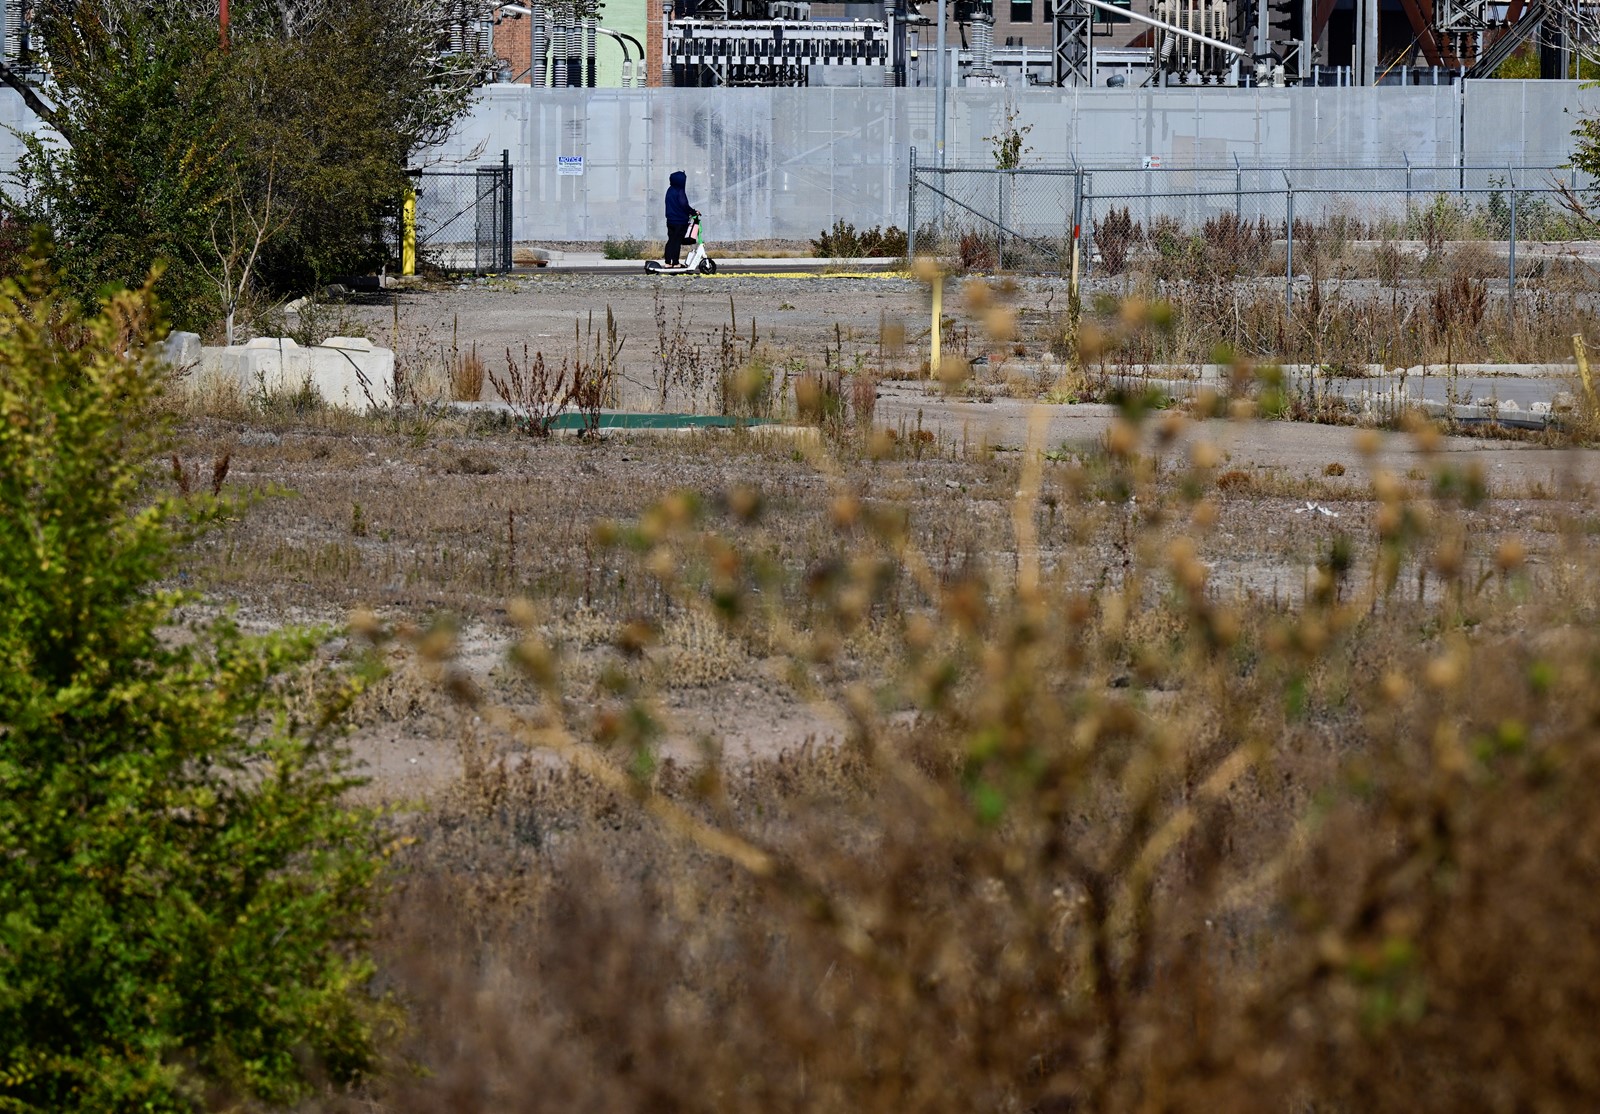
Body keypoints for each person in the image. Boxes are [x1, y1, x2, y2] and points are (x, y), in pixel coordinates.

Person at [663, 170, 699, 268]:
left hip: (670, 220)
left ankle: (668, 262)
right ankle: (675, 263)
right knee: (677, 241)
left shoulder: (669, 190)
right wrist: (693, 212)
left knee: (671, 240)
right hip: (680, 221)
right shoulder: (680, 191)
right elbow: (684, 205)